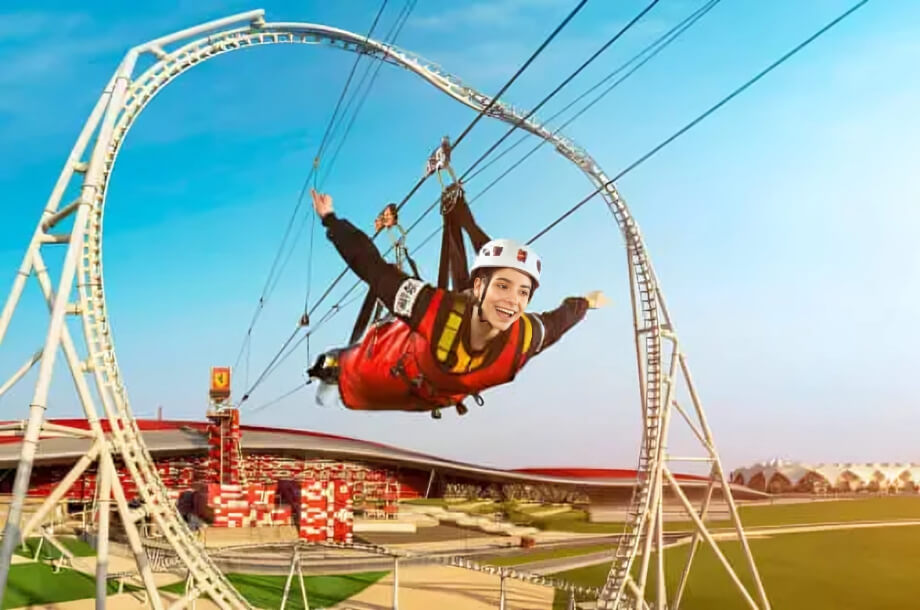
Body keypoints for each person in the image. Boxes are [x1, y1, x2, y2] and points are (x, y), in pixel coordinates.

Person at [307, 188, 608, 417]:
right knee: (354, 363)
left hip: (413, 384)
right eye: (503, 286)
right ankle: (335, 367)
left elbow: (560, 320)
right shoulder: (432, 310)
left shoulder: (524, 336)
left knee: (462, 316)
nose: (512, 301)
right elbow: (371, 267)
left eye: (523, 293)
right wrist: (330, 220)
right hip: (383, 370)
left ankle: (341, 369)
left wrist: (586, 303)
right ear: (478, 287)